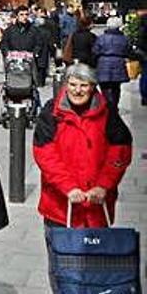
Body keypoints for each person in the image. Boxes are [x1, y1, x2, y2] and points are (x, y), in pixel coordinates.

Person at [33, 64, 132, 289]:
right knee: (62, 266)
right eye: (73, 84)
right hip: (60, 207)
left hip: (96, 206)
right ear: (65, 85)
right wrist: (68, 188)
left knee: (96, 266)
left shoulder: (107, 112)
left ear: (93, 87)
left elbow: (120, 150)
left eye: (84, 85)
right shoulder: (51, 113)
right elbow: (45, 154)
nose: (77, 90)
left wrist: (104, 185)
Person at [93, 16, 131, 111]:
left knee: (104, 86)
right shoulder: (124, 39)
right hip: (118, 63)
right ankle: (114, 105)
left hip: (103, 64)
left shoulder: (101, 38)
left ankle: (107, 104)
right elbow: (128, 51)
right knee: (116, 87)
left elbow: (95, 51)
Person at [33, 17, 53, 87]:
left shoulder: (34, 31)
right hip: (45, 51)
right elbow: (50, 43)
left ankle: (36, 81)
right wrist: (52, 51)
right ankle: (42, 82)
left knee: (36, 66)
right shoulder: (47, 32)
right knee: (43, 67)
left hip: (36, 50)